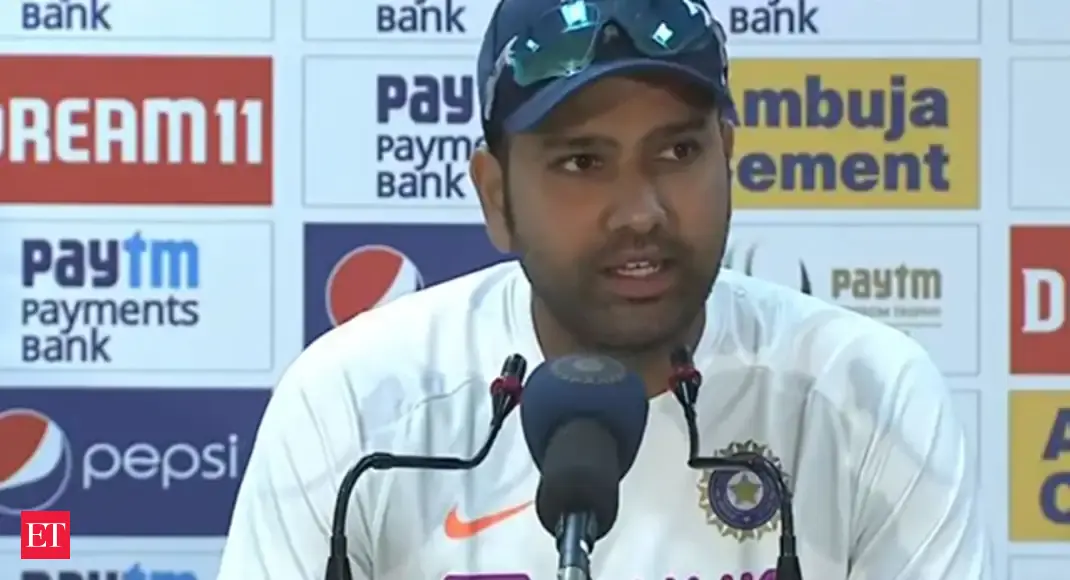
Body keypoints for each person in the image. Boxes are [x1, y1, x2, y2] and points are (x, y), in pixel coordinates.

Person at [216, 0, 989, 577]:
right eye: (583, 162)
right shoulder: (355, 403)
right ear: (496, 196)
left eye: (678, 151)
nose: (641, 212)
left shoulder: (867, 397)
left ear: (726, 155)